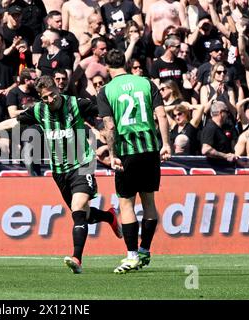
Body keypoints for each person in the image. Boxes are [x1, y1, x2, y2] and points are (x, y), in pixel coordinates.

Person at [0, 75, 123, 274]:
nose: (50, 100)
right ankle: (109, 217)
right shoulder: (39, 110)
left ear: (58, 90)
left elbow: (104, 115)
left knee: (78, 208)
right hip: (59, 171)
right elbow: (14, 122)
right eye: (45, 98)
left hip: (83, 164)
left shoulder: (77, 104)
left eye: (52, 95)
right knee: (84, 215)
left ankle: (77, 259)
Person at [97, 49, 171, 274]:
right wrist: (165, 144)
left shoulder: (106, 90)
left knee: (126, 204)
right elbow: (162, 115)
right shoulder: (146, 83)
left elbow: (110, 126)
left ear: (107, 68)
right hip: (149, 149)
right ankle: (145, 249)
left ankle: (131, 256)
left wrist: (112, 154)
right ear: (127, 64)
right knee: (149, 203)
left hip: (127, 151)